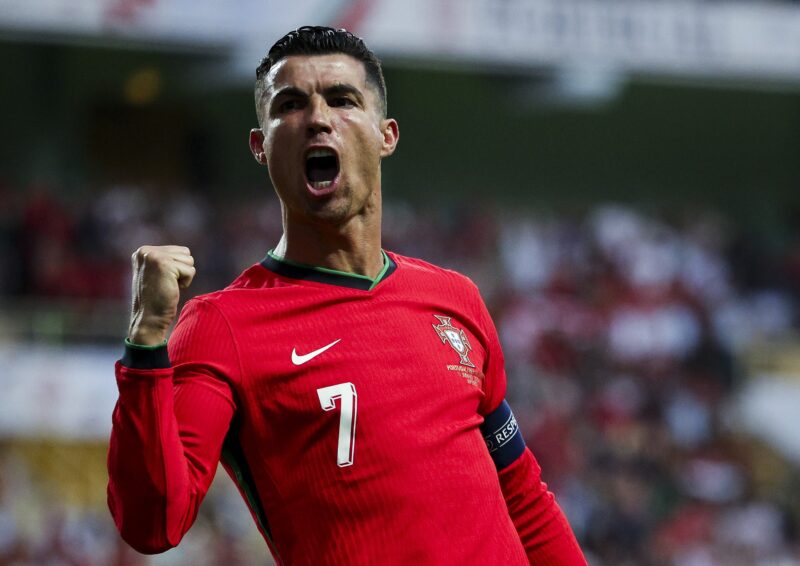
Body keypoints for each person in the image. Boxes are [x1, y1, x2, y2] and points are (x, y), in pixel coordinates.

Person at [107, 26, 587, 565]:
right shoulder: (223, 326)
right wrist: (147, 344)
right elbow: (152, 523)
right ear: (260, 146)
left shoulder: (455, 299)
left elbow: (521, 493)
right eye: (290, 104)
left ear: (387, 134)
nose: (318, 118)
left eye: (342, 99)